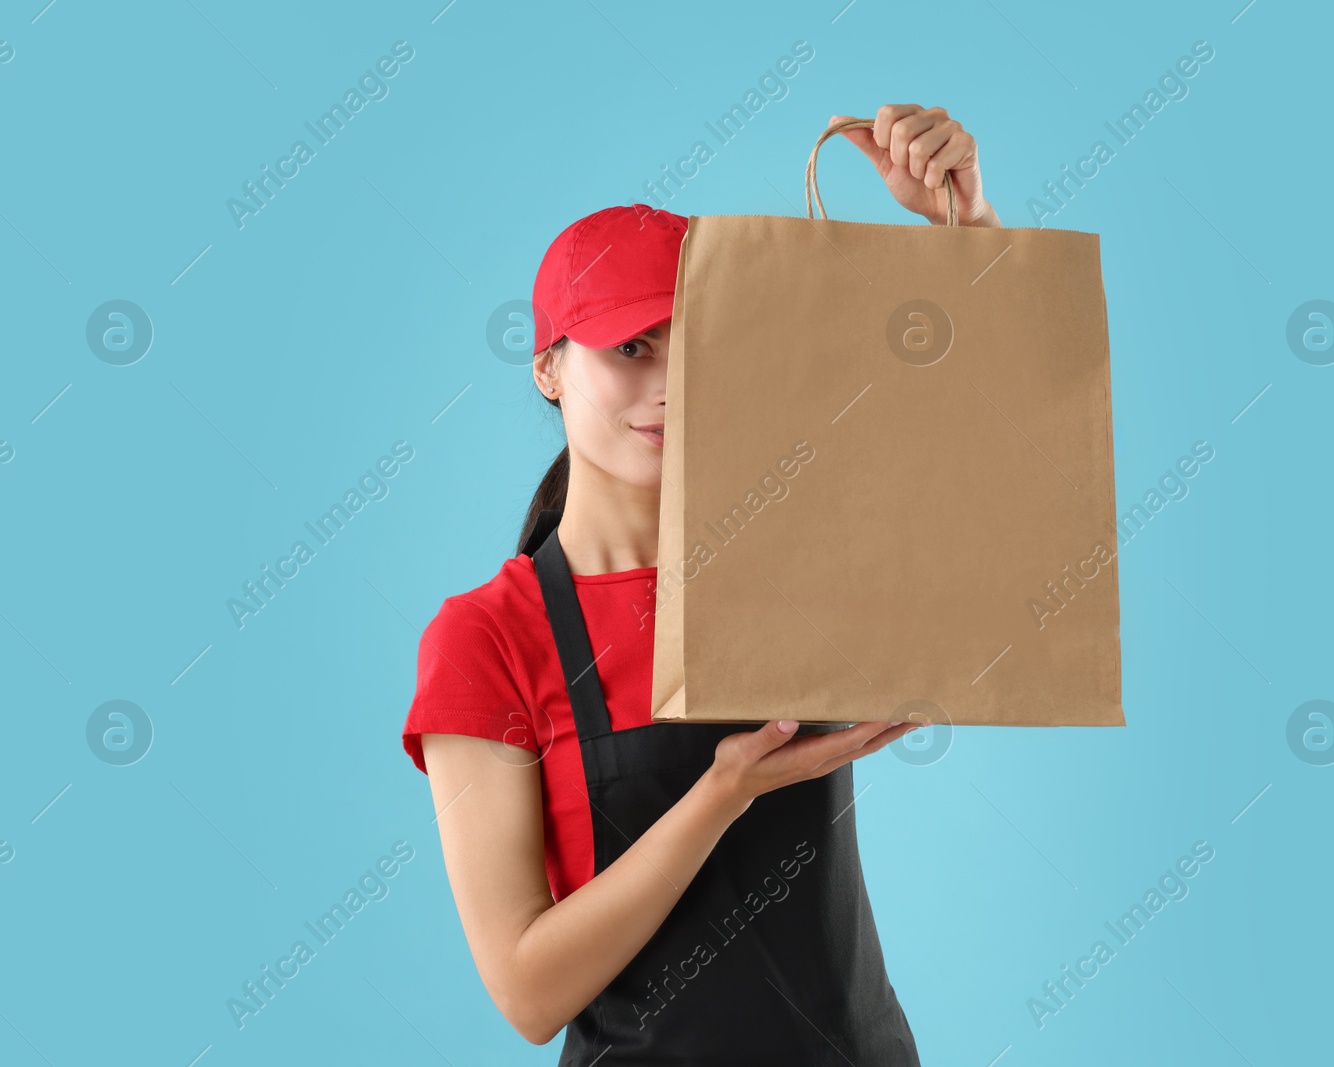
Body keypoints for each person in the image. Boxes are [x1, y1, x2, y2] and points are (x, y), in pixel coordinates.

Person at [402, 104, 1003, 1064]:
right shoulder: (491, 638)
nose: (671, 384)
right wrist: (721, 794)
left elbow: (994, 473)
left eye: (696, 343)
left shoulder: (794, 558)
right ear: (550, 368)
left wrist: (960, 231)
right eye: (629, 348)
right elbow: (527, 989)